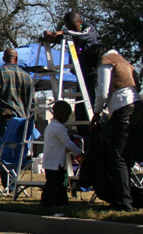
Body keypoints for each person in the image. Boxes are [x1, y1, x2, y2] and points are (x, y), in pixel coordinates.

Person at [92, 45, 143, 212]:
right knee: (125, 156)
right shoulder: (124, 61)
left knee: (117, 157)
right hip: (136, 106)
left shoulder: (106, 61)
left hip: (122, 107)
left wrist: (97, 112)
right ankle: (127, 197)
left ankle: (123, 201)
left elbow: (103, 92)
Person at [0, 48, 33, 146]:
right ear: (16, 59)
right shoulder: (26, 76)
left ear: (4, 59)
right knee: (19, 149)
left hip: (5, 117)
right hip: (22, 118)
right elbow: (32, 101)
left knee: (3, 149)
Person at [41, 101, 82, 207]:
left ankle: (62, 202)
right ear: (61, 114)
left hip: (49, 161)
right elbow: (67, 143)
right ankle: (46, 203)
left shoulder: (49, 127)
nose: (67, 118)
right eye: (67, 116)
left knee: (58, 184)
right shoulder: (59, 128)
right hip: (56, 162)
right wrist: (80, 152)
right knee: (53, 184)